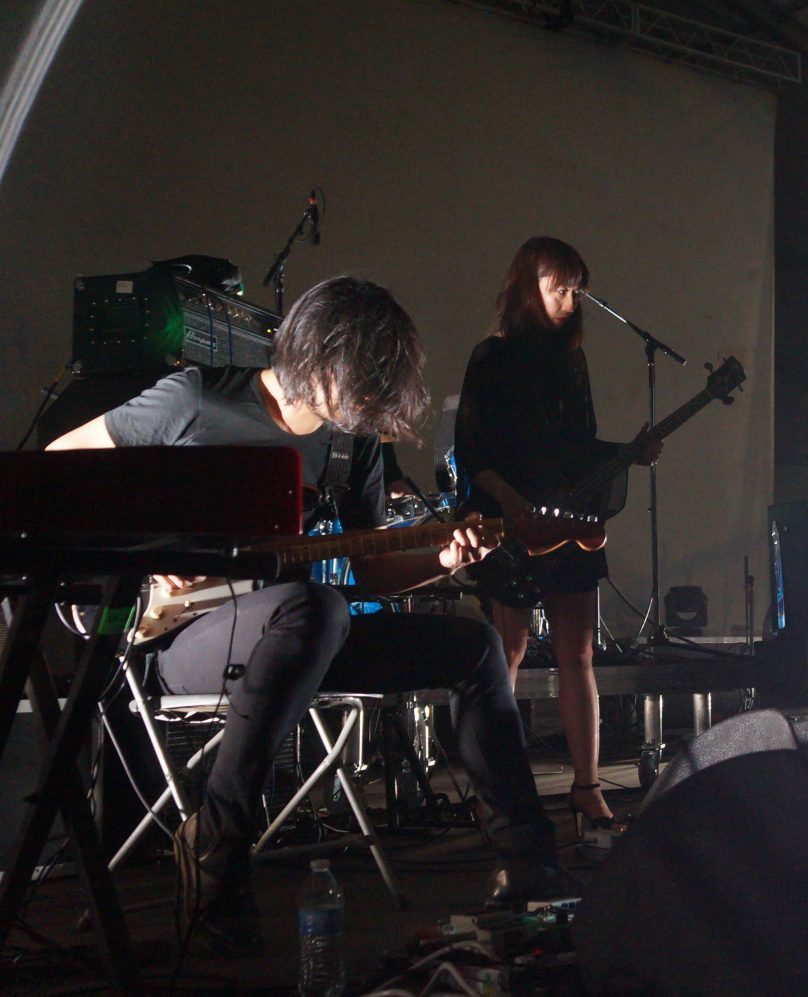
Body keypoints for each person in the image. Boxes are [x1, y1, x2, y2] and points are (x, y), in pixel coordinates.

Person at [47, 276, 558, 957]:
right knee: (316, 606)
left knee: (473, 644)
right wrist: (148, 552)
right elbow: (58, 469)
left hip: (301, 638)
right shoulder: (195, 399)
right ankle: (218, 843)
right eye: (363, 382)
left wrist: (445, 558)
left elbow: (374, 571)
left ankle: (531, 865)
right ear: (320, 355)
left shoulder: (350, 443)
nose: (368, 403)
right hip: (177, 636)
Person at [454, 236, 660, 833]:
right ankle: (494, 789)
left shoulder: (572, 360)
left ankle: (587, 789)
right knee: (509, 650)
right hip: (510, 519)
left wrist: (629, 453)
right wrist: (510, 501)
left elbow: (579, 446)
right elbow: (473, 449)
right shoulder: (491, 357)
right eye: (559, 289)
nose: (571, 302)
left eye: (576, 291)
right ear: (528, 287)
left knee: (579, 653)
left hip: (568, 517)